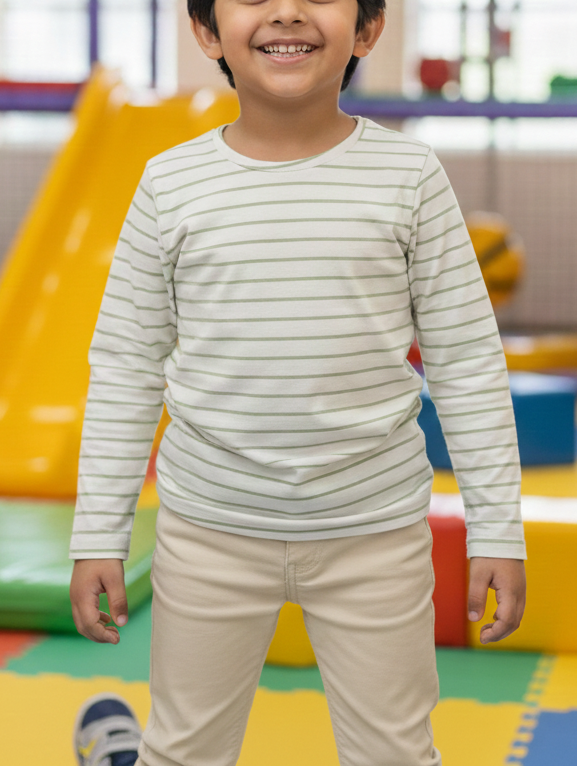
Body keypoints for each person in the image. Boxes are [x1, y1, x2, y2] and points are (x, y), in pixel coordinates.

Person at [69, 0, 527, 763]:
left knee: (397, 753)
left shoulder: (410, 176)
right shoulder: (169, 184)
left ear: (369, 27)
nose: (286, 9)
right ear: (208, 30)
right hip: (209, 528)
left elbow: (468, 360)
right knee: (183, 749)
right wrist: (98, 533)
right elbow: (124, 364)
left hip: (375, 532)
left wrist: (497, 527)